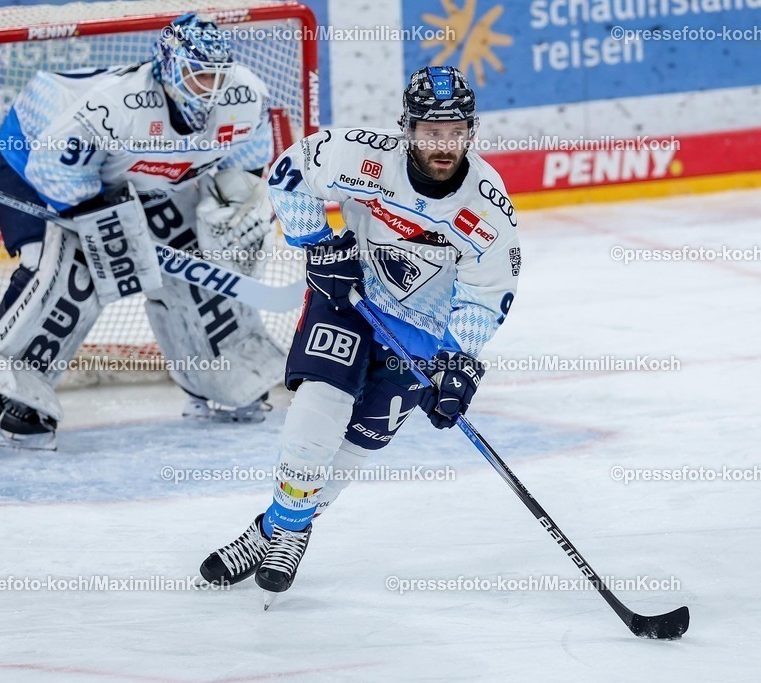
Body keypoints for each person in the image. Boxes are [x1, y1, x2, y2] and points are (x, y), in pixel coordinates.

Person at [199, 66, 521, 605]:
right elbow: (288, 174)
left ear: (471, 130)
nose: (444, 145)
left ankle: (274, 528)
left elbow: (487, 295)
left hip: (420, 333)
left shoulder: (487, 206)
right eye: (430, 131)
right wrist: (319, 244)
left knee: (355, 447)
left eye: (456, 131)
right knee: (318, 410)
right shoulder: (362, 155)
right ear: (407, 128)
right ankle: (293, 535)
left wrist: (456, 362)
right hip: (349, 297)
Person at [0, 13, 285, 450]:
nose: (209, 89)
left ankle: (218, 378)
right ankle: (4, 397)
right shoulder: (117, 107)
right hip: (35, 155)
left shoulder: (244, 93)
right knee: (69, 272)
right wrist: (108, 229)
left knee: (196, 260)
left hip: (135, 177)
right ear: (169, 68)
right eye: (197, 76)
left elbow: (246, 159)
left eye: (217, 76)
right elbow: (53, 170)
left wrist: (235, 201)